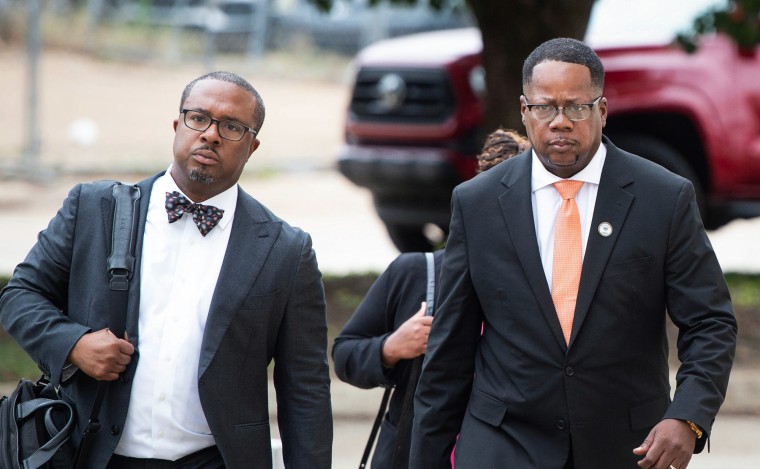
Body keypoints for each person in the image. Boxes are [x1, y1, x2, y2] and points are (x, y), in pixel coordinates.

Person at [409, 37, 737, 469]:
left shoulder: (663, 197)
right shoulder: (477, 203)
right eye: (545, 107)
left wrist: (687, 416)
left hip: (625, 446)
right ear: (525, 112)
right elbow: (449, 353)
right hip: (503, 443)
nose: (560, 122)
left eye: (576, 107)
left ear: (601, 111)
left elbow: (710, 321)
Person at [0, 71, 332, 468]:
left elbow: (306, 387)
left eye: (231, 127)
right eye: (198, 118)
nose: (210, 134)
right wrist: (73, 345)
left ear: (252, 146)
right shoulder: (93, 208)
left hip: (215, 461)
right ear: (177, 126)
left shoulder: (286, 250)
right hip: (91, 454)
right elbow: (19, 296)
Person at [332, 128, 529, 469]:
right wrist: (392, 347)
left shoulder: (542, 284)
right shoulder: (416, 272)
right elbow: (344, 355)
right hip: (413, 453)